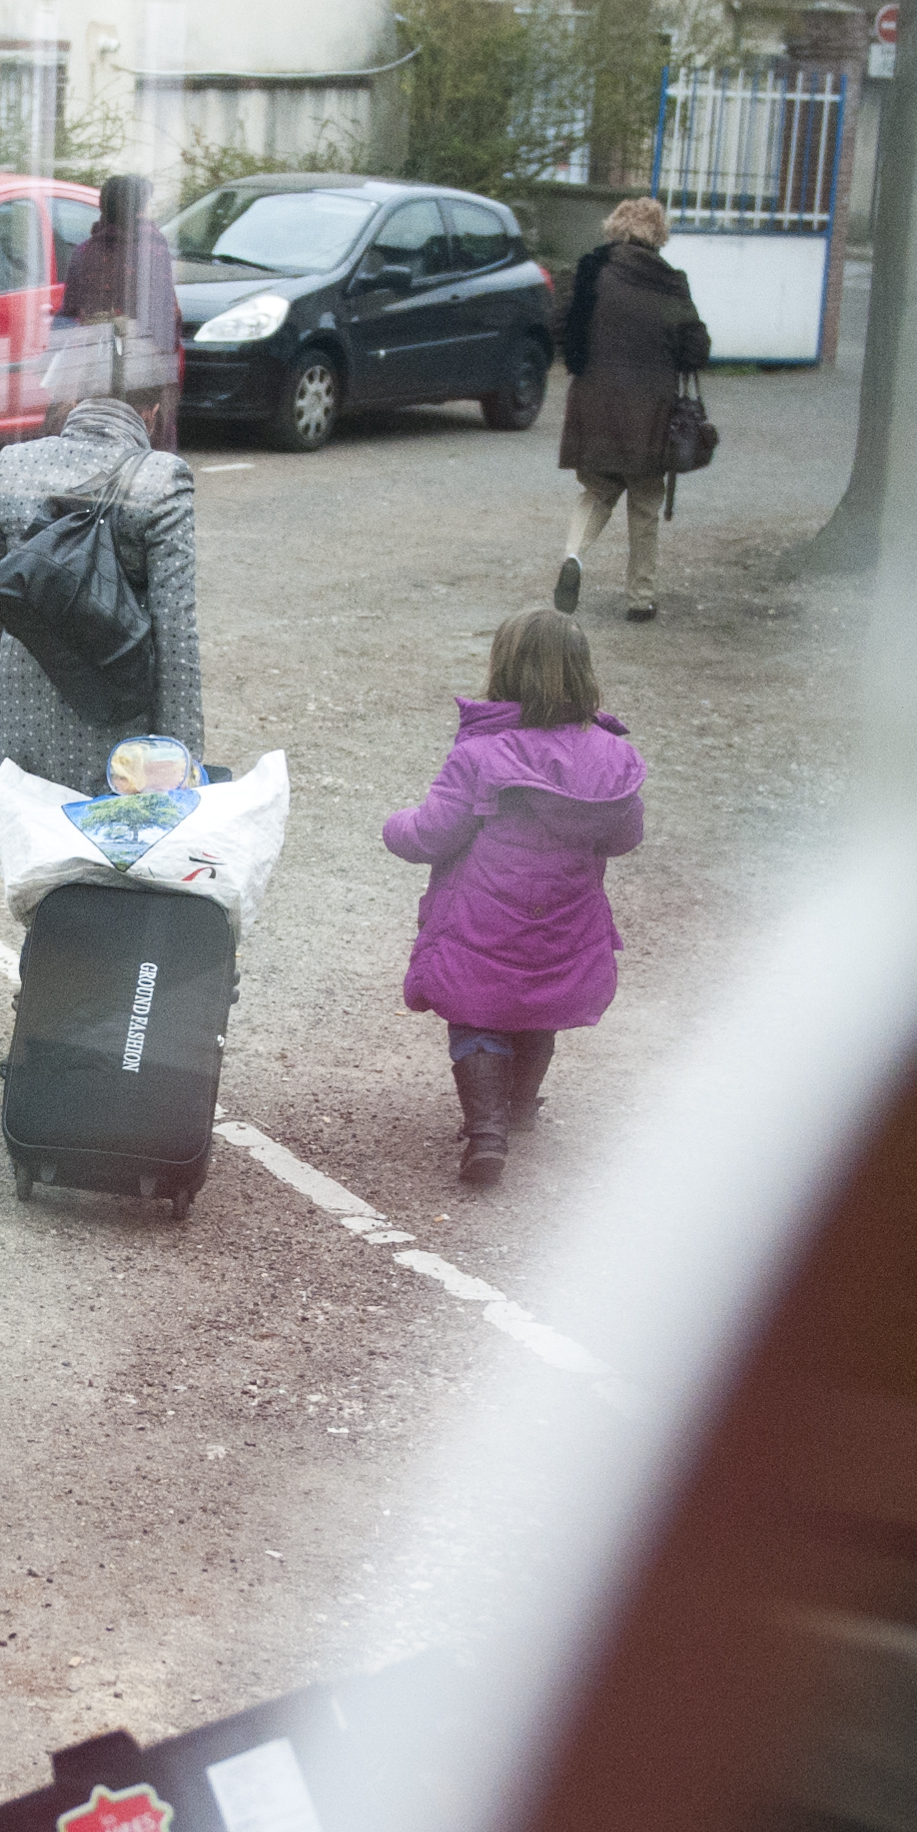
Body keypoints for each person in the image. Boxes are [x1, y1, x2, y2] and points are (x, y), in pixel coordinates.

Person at [380, 607, 648, 1186]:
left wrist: (394, 825)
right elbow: (625, 837)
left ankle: (486, 1133)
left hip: (484, 915)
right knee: (537, 1004)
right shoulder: (615, 757)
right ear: (583, 675)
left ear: (505, 670)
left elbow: (432, 834)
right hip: (567, 914)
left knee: (478, 1011)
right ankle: (520, 1106)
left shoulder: (482, 754)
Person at [0, 394, 206, 821]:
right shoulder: (162, 479)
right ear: (153, 413)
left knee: (31, 881)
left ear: (69, 403)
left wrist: (34, 650)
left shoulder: (12, 465)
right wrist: (183, 766)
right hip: (121, 742)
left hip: (21, 728)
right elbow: (176, 632)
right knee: (109, 879)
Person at [549, 193, 708, 624]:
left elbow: (561, 327)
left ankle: (574, 557)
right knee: (644, 502)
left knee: (598, 490)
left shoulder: (591, 271)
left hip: (594, 404)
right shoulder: (671, 283)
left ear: (615, 228)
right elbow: (696, 349)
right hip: (649, 410)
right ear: (659, 235)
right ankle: (640, 598)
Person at [49, 171, 183, 443]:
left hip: (92, 367)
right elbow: (166, 315)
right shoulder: (153, 250)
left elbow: (69, 311)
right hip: (141, 370)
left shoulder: (85, 251)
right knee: (142, 445)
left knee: (89, 439)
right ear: (139, 209)